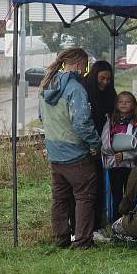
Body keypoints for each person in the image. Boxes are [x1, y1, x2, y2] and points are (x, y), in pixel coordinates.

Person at [39, 48, 101, 249]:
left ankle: (61, 238)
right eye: (85, 66)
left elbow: (42, 118)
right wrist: (95, 143)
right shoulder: (76, 89)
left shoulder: (46, 85)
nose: (85, 70)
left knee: (59, 199)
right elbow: (81, 123)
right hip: (76, 154)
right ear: (77, 64)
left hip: (55, 154)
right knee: (84, 197)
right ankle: (82, 241)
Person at [101, 91, 137, 223]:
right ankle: (116, 223)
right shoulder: (110, 121)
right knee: (116, 195)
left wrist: (126, 155)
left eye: (127, 102)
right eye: (120, 102)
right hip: (115, 165)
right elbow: (104, 142)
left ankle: (130, 223)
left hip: (131, 166)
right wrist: (112, 154)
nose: (124, 104)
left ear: (133, 105)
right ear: (116, 104)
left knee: (130, 195)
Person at [83, 60, 117, 233]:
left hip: (105, 143)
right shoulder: (85, 92)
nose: (105, 82)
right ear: (94, 76)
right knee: (89, 185)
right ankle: (89, 224)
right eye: (102, 78)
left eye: (108, 79)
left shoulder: (110, 94)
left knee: (101, 184)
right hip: (88, 143)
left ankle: (100, 221)